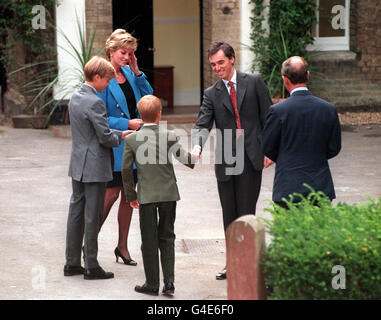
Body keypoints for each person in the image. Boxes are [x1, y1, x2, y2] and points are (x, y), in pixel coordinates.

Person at [191, 42, 272, 280]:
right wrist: (197, 146)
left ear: (232, 59)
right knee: (229, 214)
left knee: (246, 212)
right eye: (213, 65)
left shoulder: (254, 82)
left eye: (221, 62)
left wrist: (270, 150)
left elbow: (269, 117)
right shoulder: (211, 93)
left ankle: (248, 262)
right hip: (227, 157)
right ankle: (232, 262)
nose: (217, 68)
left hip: (251, 156)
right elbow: (202, 123)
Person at [64, 56, 132, 280]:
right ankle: (91, 265)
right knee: (92, 215)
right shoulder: (95, 101)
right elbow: (104, 137)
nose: (108, 84)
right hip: (94, 164)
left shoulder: (75, 97)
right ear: (96, 77)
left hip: (78, 163)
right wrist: (122, 136)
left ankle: (72, 262)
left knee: (76, 212)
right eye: (106, 80)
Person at [122, 95, 196, 296]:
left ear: (139, 114)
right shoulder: (169, 136)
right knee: (167, 236)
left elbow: (127, 171)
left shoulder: (131, 139)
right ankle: (169, 283)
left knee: (149, 239)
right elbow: (187, 160)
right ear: (159, 115)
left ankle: (152, 283)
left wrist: (131, 196)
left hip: (146, 196)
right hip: (169, 194)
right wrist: (196, 153)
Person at [98, 29, 153, 266]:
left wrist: (138, 71)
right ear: (111, 51)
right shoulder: (102, 77)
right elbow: (99, 117)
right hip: (116, 143)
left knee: (129, 196)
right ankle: (87, 243)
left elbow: (149, 99)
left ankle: (122, 247)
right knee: (110, 195)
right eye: (123, 52)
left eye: (130, 53)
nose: (127, 57)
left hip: (135, 144)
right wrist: (127, 123)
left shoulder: (131, 73)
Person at [261, 56, 341, 208]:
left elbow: (268, 148)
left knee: (288, 231)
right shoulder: (328, 109)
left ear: (285, 79)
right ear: (308, 75)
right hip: (320, 186)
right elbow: (334, 147)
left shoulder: (278, 111)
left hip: (288, 187)